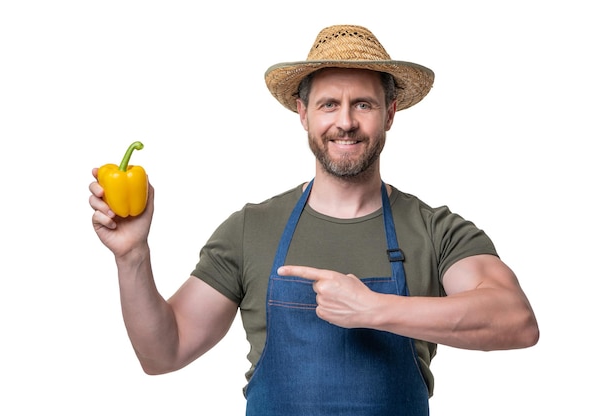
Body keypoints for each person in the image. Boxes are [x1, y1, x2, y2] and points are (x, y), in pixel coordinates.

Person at [89, 24, 539, 415]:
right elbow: (162, 353)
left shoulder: (435, 230)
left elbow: (515, 320)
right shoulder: (251, 229)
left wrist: (377, 310)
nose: (345, 122)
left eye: (363, 104)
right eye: (328, 105)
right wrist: (132, 256)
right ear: (302, 114)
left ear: (390, 113)